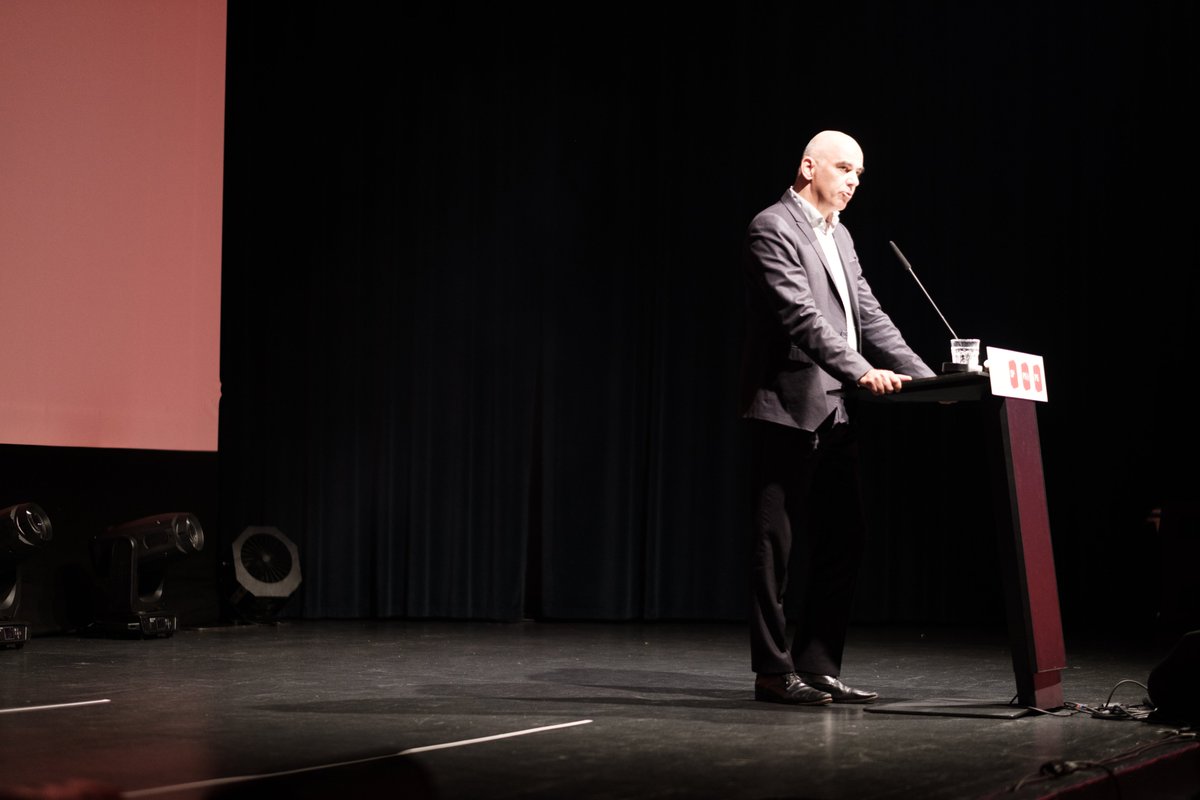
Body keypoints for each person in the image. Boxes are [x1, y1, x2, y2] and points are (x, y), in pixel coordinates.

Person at [738, 130, 936, 705]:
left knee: (846, 536)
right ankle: (773, 673)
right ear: (808, 166)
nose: (852, 182)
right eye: (844, 168)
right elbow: (802, 317)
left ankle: (818, 665)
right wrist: (860, 371)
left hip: (836, 411)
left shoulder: (841, 236)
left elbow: (868, 315)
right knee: (775, 546)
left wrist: (926, 379)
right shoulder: (771, 227)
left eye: (859, 174)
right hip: (786, 408)